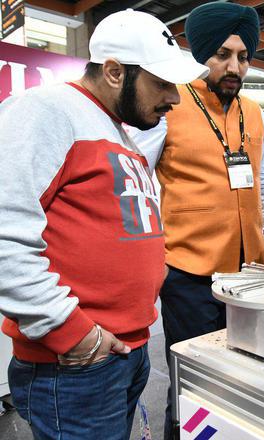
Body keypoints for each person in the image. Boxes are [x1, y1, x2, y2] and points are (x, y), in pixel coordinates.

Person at [0, 9, 208, 440]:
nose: (174, 97)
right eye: (162, 83)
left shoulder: (116, 130)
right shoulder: (46, 111)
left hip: (121, 352)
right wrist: (70, 331)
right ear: (115, 72)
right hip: (75, 364)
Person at [129, 2, 264, 438]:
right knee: (192, 386)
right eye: (222, 55)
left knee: (246, 378)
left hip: (251, 276)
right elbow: (135, 182)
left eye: (244, 57)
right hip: (189, 275)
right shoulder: (168, 104)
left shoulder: (254, 111)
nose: (234, 67)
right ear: (199, 54)